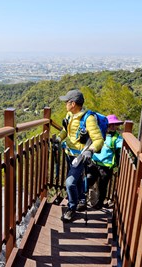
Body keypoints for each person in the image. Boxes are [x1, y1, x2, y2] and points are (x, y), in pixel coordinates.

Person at [56, 89, 104, 222]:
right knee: (76, 180)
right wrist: (59, 139)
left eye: (67, 101)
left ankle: (72, 208)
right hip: (69, 154)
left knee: (70, 182)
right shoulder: (69, 115)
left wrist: (91, 150)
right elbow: (66, 131)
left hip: (80, 157)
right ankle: (81, 199)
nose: (65, 104)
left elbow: (99, 140)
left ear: (73, 104)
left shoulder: (88, 119)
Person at [88, 114, 124, 210]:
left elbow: (123, 146)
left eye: (114, 125)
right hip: (94, 163)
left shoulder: (116, 138)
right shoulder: (99, 134)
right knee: (88, 181)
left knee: (102, 186)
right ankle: (86, 198)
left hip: (106, 167)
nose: (112, 127)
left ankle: (99, 203)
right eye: (110, 125)